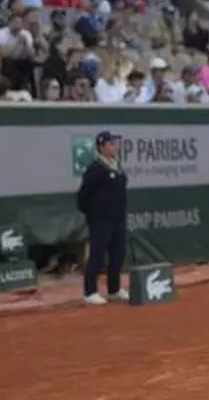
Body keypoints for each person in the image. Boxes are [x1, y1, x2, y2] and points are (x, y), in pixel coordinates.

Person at [76, 131, 129, 306]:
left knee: (118, 253)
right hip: (100, 220)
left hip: (118, 218)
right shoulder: (95, 169)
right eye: (111, 144)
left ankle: (114, 289)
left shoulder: (117, 166)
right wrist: (95, 214)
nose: (115, 147)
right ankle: (90, 292)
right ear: (101, 147)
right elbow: (83, 196)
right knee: (97, 255)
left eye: (116, 143)